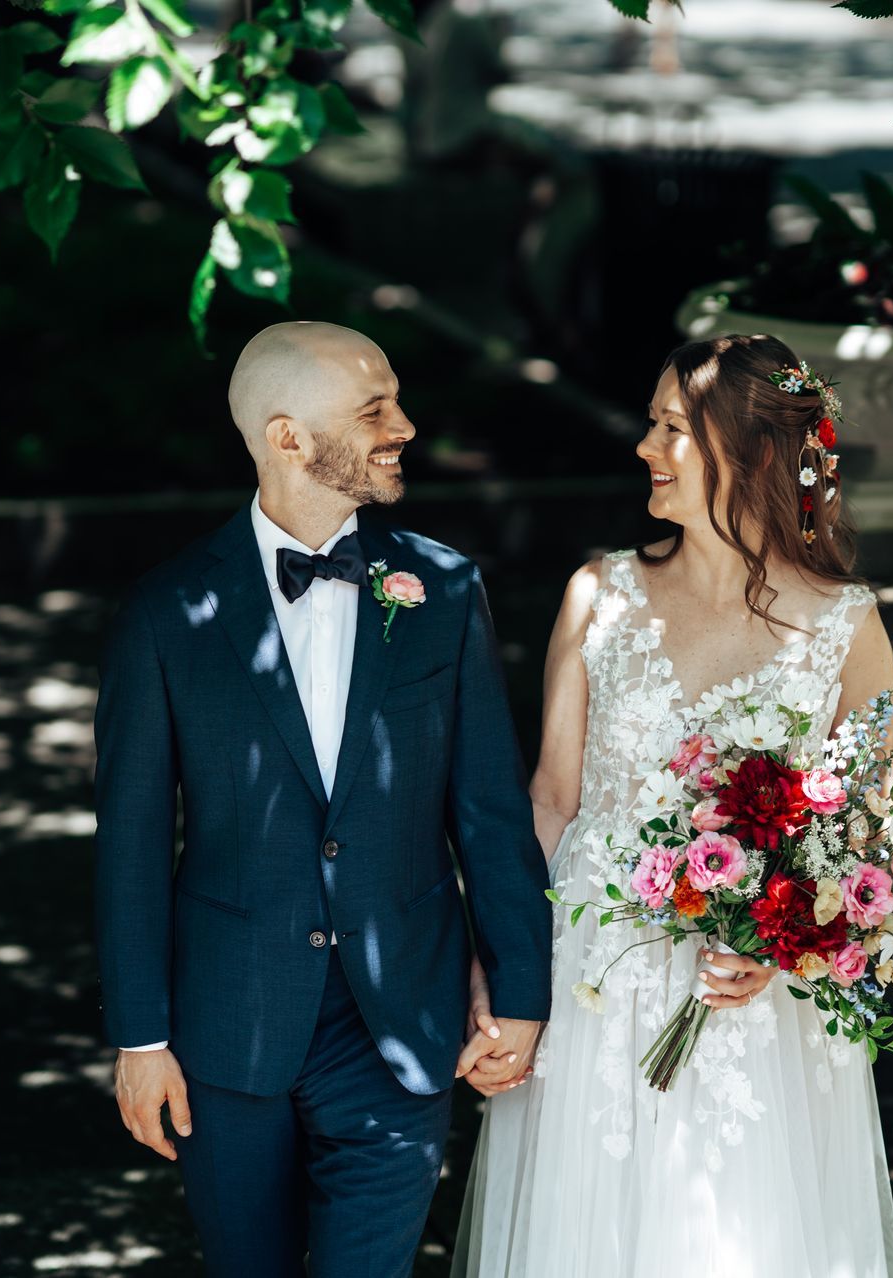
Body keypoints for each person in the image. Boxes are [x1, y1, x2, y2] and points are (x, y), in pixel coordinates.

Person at [93, 321, 554, 1278]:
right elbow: (130, 845)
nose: (407, 428)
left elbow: (491, 810)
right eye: (374, 409)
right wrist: (140, 1037)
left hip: (402, 1022)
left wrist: (519, 992)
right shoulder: (167, 612)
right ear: (287, 436)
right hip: (227, 1027)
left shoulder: (444, 587)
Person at [452, 333, 893, 1277]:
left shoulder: (847, 625)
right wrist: (497, 975)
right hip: (592, 988)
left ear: (757, 454)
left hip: (755, 1015)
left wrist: (785, 945)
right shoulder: (598, 595)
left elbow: (871, 849)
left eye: (671, 427)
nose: (645, 448)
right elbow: (549, 800)